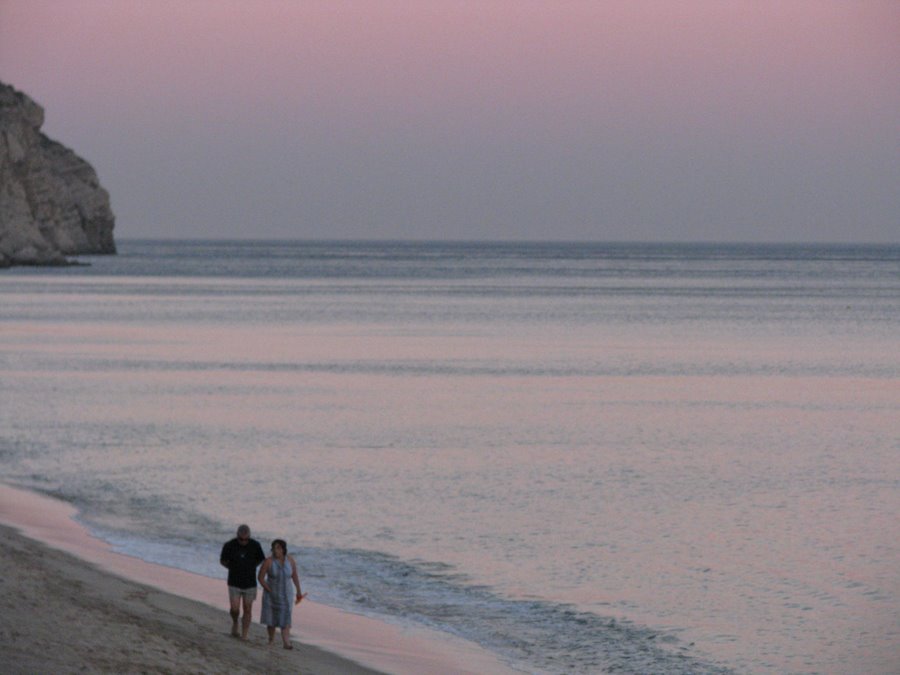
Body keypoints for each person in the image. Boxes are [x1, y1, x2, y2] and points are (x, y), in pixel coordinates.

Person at [219, 524, 266, 639]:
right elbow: (223, 561)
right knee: (235, 609)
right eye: (241, 539)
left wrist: (251, 567)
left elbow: (261, 559)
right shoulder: (229, 545)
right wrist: (233, 567)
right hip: (234, 582)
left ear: (249, 537)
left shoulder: (255, 545)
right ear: (237, 536)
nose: (244, 541)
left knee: (247, 608)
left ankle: (244, 635)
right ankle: (235, 622)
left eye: (246, 539)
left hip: (250, 583)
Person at [258, 538, 306, 649]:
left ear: (283, 549)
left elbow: (294, 576)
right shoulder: (268, 561)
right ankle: (271, 639)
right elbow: (260, 578)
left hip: (286, 594)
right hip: (271, 595)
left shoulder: (290, 561)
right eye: (274, 548)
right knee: (271, 619)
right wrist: (268, 589)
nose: (275, 551)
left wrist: (298, 590)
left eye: (278, 548)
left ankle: (286, 642)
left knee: (286, 616)